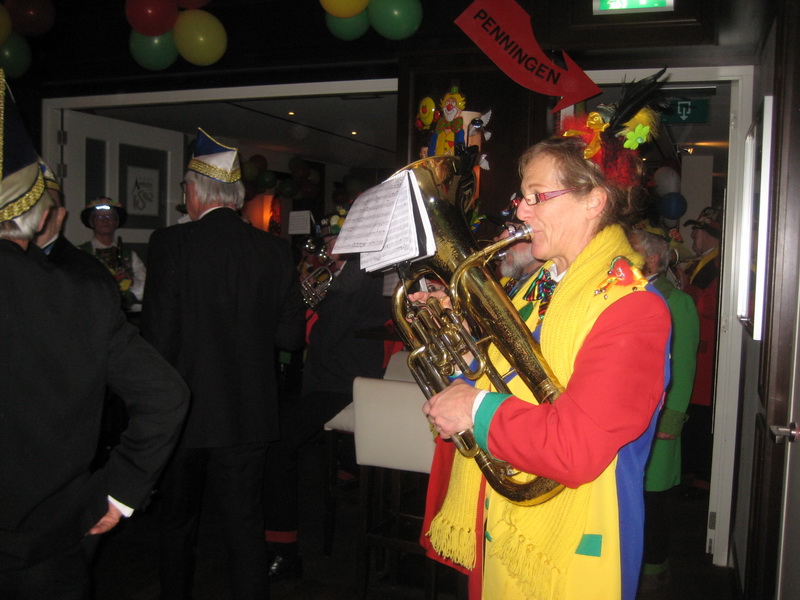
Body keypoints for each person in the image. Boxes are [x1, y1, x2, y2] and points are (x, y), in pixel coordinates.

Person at [415, 101, 671, 599]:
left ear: (594, 200)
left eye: (537, 196)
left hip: (572, 550)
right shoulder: (534, 288)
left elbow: (576, 448)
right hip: (504, 523)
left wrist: (474, 408)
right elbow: (509, 378)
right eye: (523, 196)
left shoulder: (633, 308)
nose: (520, 210)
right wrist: (458, 344)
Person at [0, 69, 189, 600]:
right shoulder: (80, 287)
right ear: (46, 217)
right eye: (98, 215)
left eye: (110, 215)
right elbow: (166, 396)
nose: (105, 221)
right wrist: (121, 490)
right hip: (45, 539)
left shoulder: (108, 267)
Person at [141, 128, 305, 600]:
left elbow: (157, 340)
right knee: (244, 526)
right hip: (248, 412)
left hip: (185, 413)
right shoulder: (275, 250)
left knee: (177, 525)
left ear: (195, 192)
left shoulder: (170, 243)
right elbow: (291, 338)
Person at [263, 210, 391, 579]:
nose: (327, 246)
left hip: (342, 383)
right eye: (329, 239)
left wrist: (303, 306)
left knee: (278, 445)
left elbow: (319, 337)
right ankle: (346, 471)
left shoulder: (356, 277)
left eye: (334, 239)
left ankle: (284, 549)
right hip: (336, 378)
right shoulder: (350, 274)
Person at [628, 228, 699, 591]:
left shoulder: (679, 303)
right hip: (628, 415)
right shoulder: (624, 291)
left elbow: (683, 366)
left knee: (653, 499)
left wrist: (671, 420)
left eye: (632, 249)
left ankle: (655, 569)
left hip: (659, 419)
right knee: (629, 496)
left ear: (653, 259)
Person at [679, 206, 722, 492]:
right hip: (697, 350)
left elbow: (713, 306)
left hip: (708, 355)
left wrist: (686, 290)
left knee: (704, 415)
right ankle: (694, 470)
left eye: (697, 230)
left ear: (710, 235)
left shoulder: (718, 265)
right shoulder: (702, 263)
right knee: (694, 412)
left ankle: (704, 478)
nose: (693, 235)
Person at [78, 196, 146, 314]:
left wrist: (132, 282)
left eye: (110, 217)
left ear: (116, 222)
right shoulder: (80, 253)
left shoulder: (130, 255)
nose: (105, 220)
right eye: (100, 217)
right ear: (92, 222)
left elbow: (146, 290)